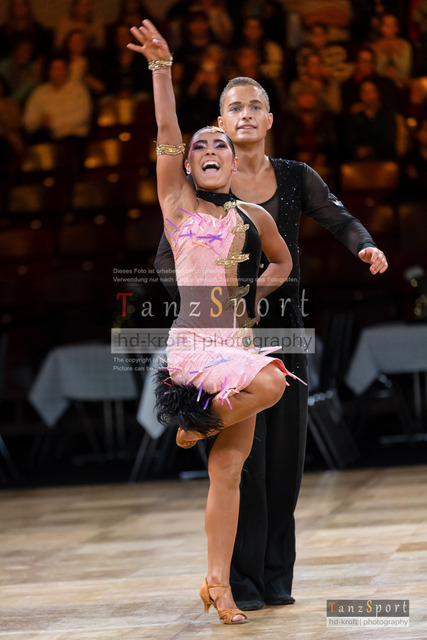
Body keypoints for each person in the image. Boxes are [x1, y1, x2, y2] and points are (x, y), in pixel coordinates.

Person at [155, 74, 389, 610]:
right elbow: (170, 259)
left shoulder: (292, 176)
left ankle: (276, 579)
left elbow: (337, 218)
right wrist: (213, 307)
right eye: (234, 108)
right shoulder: (199, 191)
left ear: (269, 119)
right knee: (240, 465)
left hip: (283, 329)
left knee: (285, 459)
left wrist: (365, 246)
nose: (245, 115)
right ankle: (240, 582)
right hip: (223, 341)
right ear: (219, 123)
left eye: (254, 106)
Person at [128, 20, 294, 624]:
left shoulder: (253, 217)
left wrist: (255, 296)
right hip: (196, 347)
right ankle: (193, 426)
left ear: (232, 156)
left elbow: (282, 262)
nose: (209, 152)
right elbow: (166, 130)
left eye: (218, 145)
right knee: (273, 381)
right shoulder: (177, 207)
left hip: (237, 346)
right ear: (190, 164)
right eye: (199, 148)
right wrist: (162, 69)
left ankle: (217, 585)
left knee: (228, 474)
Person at [22, 55, 92, 142]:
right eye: (54, 69)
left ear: (67, 70)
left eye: (61, 69)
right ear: (49, 72)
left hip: (73, 137)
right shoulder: (40, 92)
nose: (58, 73)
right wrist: (40, 122)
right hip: (46, 137)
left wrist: (54, 122)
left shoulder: (79, 90)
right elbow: (28, 121)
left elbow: (83, 116)